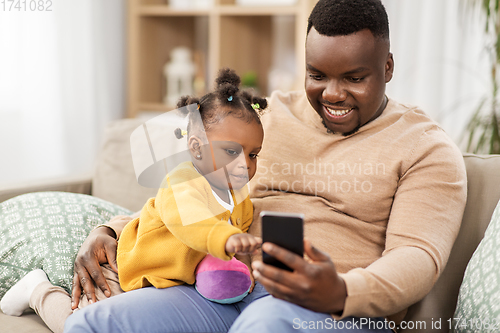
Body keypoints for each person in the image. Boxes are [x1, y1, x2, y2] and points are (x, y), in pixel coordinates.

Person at [63, 0, 468, 332]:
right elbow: (194, 190)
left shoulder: (426, 148)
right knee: (92, 324)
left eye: (354, 78)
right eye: (317, 74)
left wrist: (341, 291)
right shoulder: (269, 116)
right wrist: (109, 229)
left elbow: (418, 256)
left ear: (388, 67)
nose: (333, 93)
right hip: (222, 287)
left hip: (325, 311)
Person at [0, 68, 268, 333]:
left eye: (253, 155)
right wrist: (226, 238)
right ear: (196, 147)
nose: (244, 164)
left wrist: (244, 258)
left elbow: (240, 237)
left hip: (178, 282)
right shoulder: (183, 183)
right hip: (130, 272)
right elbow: (192, 221)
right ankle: (37, 289)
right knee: (78, 320)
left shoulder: (239, 196)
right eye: (231, 151)